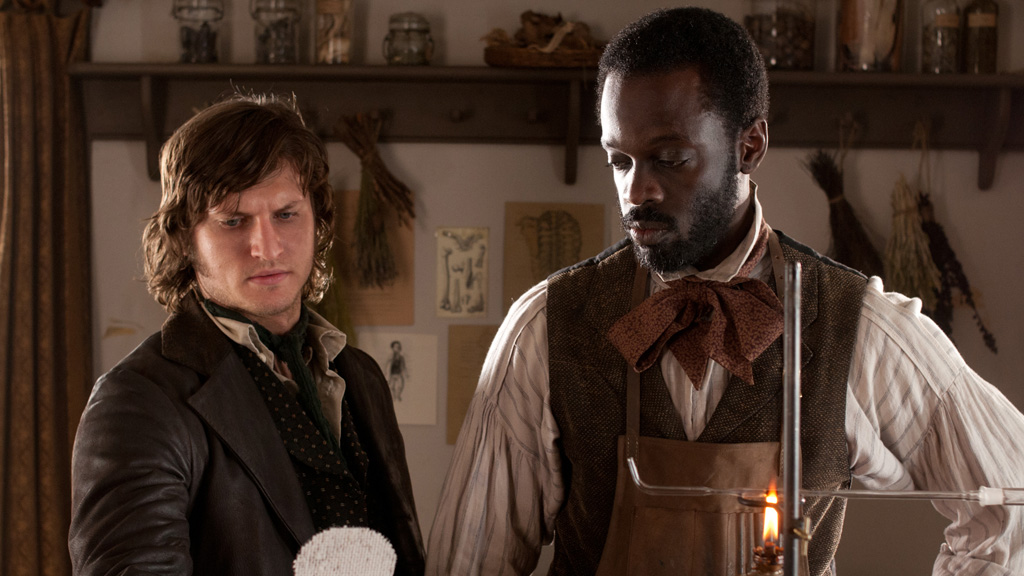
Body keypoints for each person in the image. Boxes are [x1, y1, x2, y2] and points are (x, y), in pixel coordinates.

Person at [426, 7, 1024, 576]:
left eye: (669, 158)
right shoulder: (546, 326)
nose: (636, 192)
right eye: (619, 160)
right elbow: (468, 561)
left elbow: (1013, 504)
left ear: (749, 147)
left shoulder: (855, 324)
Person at [69, 93, 425, 576]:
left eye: (286, 214)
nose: (266, 247)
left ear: (317, 219)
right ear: (185, 238)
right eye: (233, 221)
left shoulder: (360, 376)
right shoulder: (136, 402)